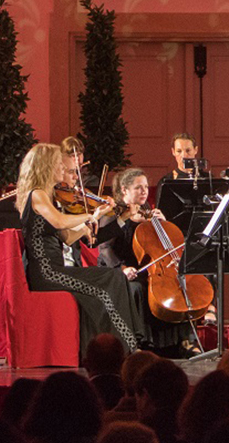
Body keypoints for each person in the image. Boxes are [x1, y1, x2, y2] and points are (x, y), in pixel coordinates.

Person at [15, 141, 145, 353]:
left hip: (55, 271)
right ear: (46, 167)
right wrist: (88, 216)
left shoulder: (48, 197)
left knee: (113, 279)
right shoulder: (37, 194)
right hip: (47, 273)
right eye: (59, 164)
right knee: (110, 280)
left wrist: (91, 223)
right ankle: (122, 347)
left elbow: (66, 237)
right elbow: (59, 221)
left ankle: (126, 343)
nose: (63, 169)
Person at [99, 165, 201, 355]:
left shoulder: (149, 213)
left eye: (146, 187)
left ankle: (184, 341)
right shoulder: (114, 215)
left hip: (148, 269)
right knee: (137, 288)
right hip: (120, 269)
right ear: (124, 190)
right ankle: (140, 342)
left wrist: (164, 224)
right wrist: (122, 268)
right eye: (138, 187)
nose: (144, 191)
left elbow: (164, 248)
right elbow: (105, 249)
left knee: (179, 284)